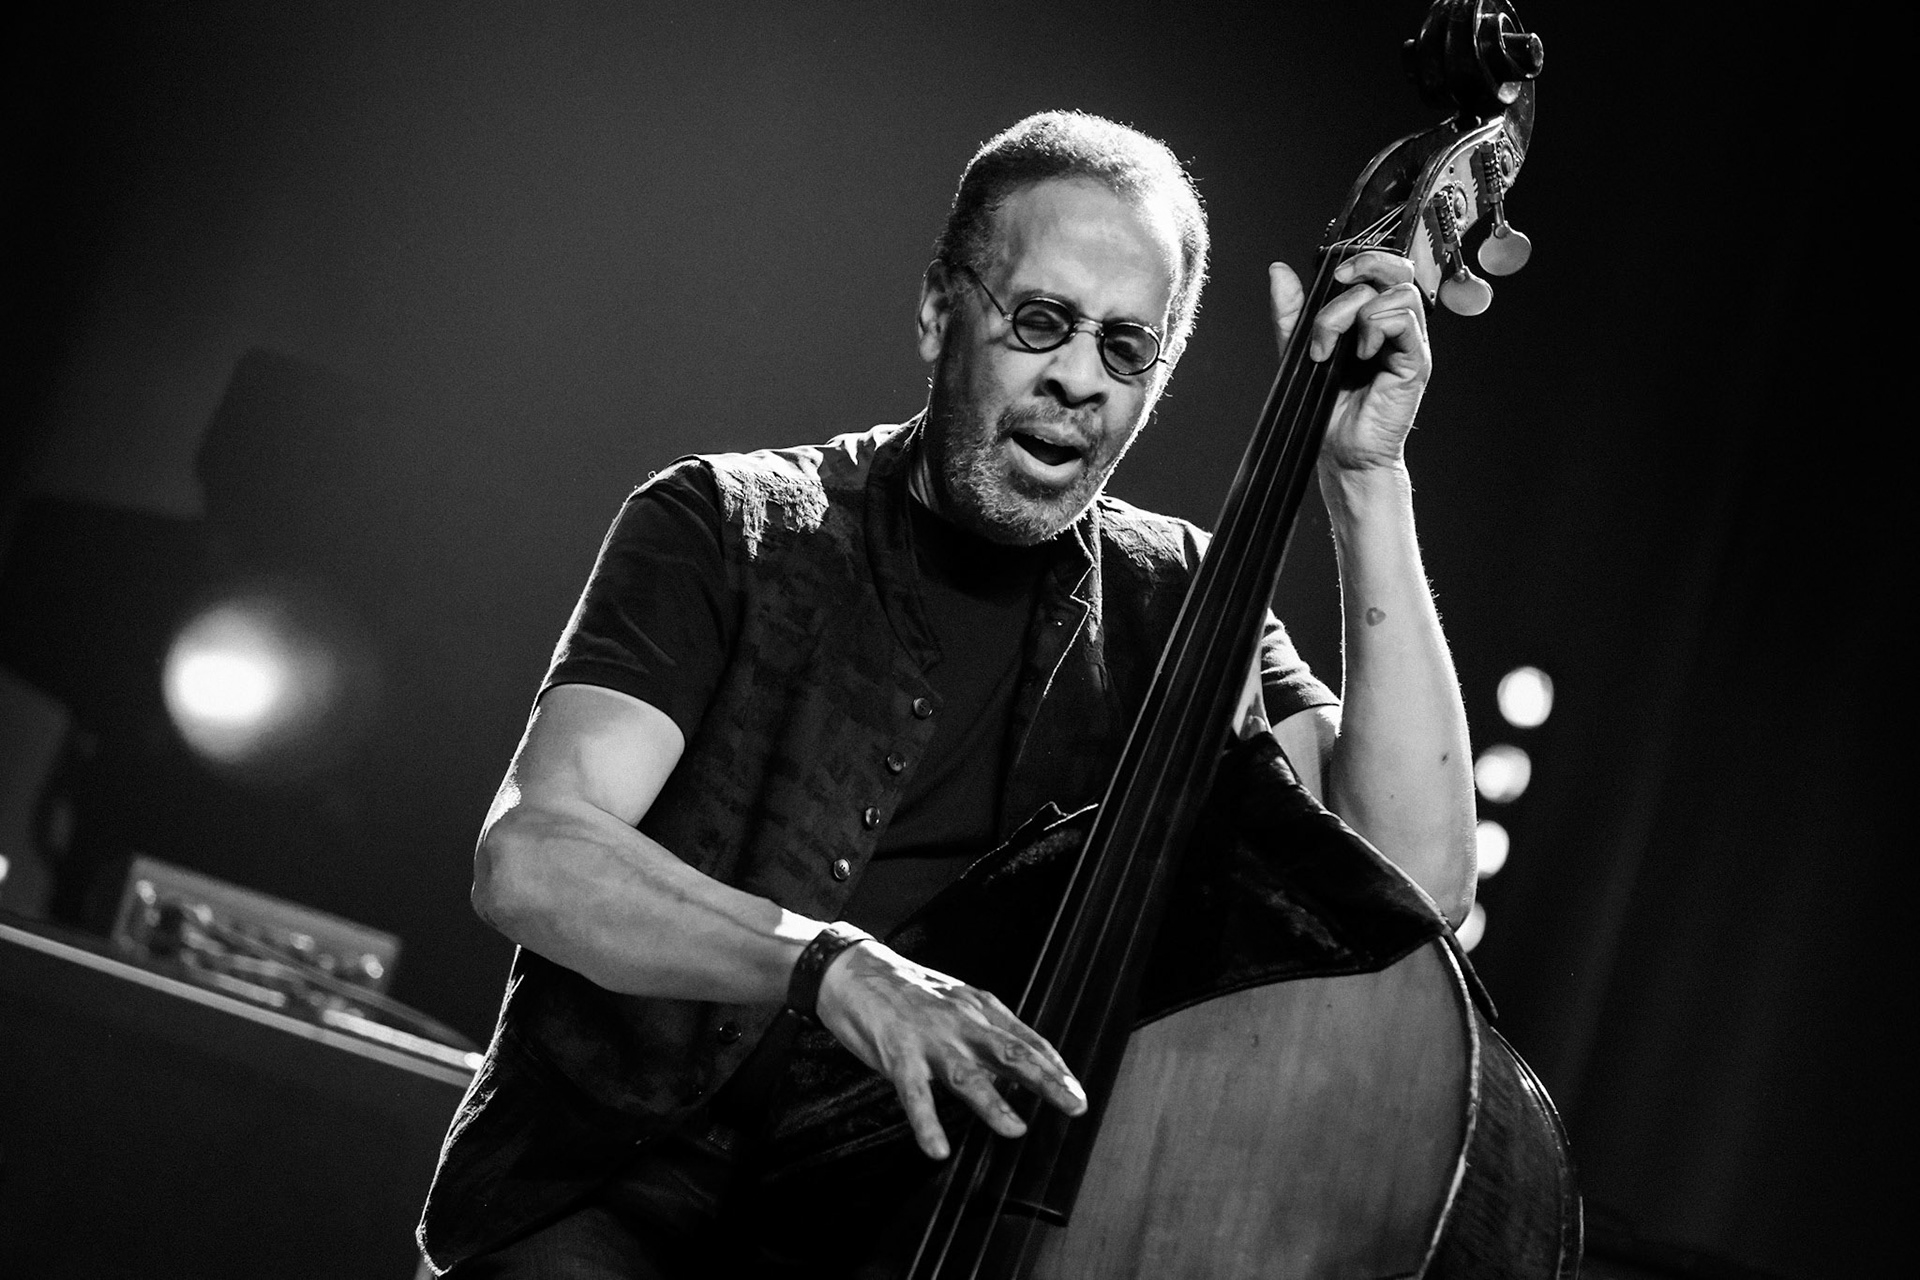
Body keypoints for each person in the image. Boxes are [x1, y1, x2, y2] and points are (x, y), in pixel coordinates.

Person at [418, 110, 1476, 1278]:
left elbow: (1410, 883)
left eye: (1129, 346)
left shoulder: (1187, 604)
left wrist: (1364, 477)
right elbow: (535, 854)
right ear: (938, 311)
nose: (1078, 376)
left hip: (920, 1232)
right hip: (624, 1196)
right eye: (1040, 321)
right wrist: (828, 964)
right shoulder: (725, 525)